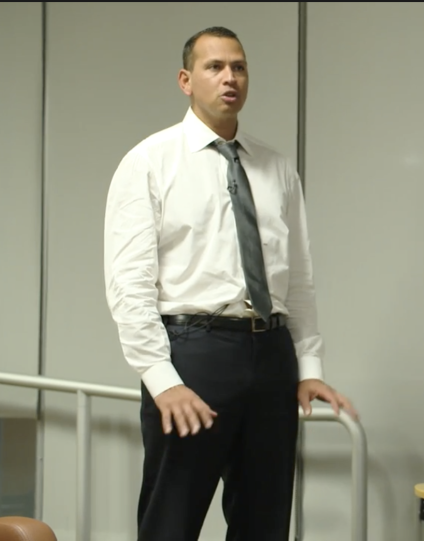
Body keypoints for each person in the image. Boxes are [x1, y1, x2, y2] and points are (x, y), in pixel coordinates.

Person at [103, 26, 357, 541]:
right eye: (214, 67)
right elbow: (128, 283)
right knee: (170, 521)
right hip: (193, 355)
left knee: (264, 523)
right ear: (185, 79)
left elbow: (299, 276)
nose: (229, 78)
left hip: (271, 356)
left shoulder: (276, 168)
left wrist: (308, 366)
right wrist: (162, 379)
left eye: (238, 67)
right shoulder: (150, 161)